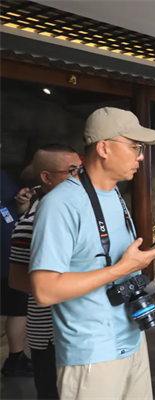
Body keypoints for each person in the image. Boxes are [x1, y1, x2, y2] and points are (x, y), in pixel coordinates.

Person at [29, 107, 155, 399]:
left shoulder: (114, 193)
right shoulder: (60, 205)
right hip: (91, 354)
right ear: (104, 148)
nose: (141, 156)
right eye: (135, 147)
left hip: (133, 338)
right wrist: (122, 269)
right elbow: (44, 290)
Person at [9, 144, 81, 400]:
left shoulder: (79, 211)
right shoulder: (30, 222)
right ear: (46, 177)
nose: (78, 177)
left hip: (80, 327)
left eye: (80, 170)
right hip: (49, 331)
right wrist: (61, 289)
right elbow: (17, 280)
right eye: (71, 171)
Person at [0, 165, 33, 377]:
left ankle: (16, 358)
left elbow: (17, 211)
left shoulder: (3, 177)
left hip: (11, 255)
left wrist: (23, 202)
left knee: (18, 308)